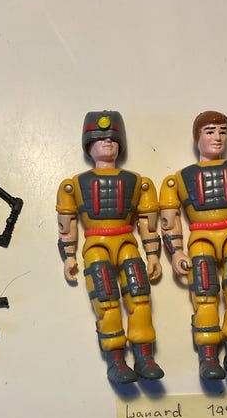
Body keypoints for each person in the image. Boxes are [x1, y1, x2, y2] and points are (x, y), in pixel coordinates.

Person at [56, 110, 164, 384]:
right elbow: (67, 225)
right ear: (87, 144)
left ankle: (144, 356)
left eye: (113, 138)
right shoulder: (73, 185)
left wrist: (153, 255)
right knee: (106, 301)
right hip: (96, 245)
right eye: (99, 137)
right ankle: (116, 361)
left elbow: (147, 223)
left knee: (140, 297)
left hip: (127, 242)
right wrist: (68, 256)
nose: (107, 141)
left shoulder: (138, 182)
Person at [159, 111, 227, 379]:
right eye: (210, 131)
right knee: (205, 296)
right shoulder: (179, 178)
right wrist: (176, 251)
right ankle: (208, 358)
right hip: (201, 238)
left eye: (222, 131)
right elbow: (170, 220)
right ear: (197, 136)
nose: (217, 137)